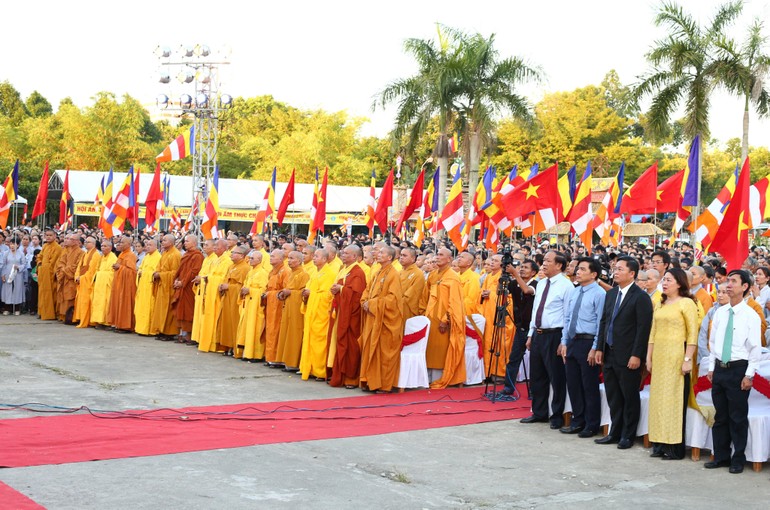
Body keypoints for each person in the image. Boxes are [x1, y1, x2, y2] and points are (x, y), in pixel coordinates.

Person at [705, 269, 762, 474]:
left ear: (745, 287)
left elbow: (755, 348)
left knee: (737, 417)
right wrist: (712, 367)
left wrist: (749, 375)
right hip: (720, 368)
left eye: (733, 281)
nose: (728, 285)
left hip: (738, 370)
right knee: (720, 416)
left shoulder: (750, 315)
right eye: (728, 281)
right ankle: (721, 456)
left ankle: (738, 459)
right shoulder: (720, 312)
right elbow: (713, 342)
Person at [595, 256, 653, 449]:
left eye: (620, 269)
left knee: (629, 397)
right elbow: (604, 322)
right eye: (615, 268)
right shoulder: (612, 294)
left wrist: (637, 355)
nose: (616, 272)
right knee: (613, 396)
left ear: (632, 273)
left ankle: (628, 435)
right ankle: (615, 432)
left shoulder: (641, 297)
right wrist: (600, 348)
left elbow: (643, 329)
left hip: (629, 356)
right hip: (609, 353)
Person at [646, 267, 699, 460]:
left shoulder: (687, 303)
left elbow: (692, 334)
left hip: (677, 358)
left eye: (669, 280)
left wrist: (687, 360)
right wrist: (649, 357)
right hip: (659, 358)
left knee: (673, 401)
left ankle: (674, 447)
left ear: (679, 283)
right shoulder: (661, 303)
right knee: (658, 401)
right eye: (664, 280)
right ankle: (659, 442)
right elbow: (653, 332)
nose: (665, 283)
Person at [521, 251, 573, 429]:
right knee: (537, 376)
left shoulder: (566, 286)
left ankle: (557, 415)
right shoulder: (542, 283)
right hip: (538, 334)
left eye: (548, 261)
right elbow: (536, 310)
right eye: (543, 260)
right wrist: (530, 334)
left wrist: (564, 341)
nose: (543, 263)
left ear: (559, 265)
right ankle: (539, 412)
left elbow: (567, 315)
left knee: (556, 377)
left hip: (555, 335)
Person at [558, 257, 606, 438]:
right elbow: (568, 318)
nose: (578, 271)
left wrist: (595, 347)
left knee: (589, 385)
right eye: (578, 268)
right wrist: (564, 342)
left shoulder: (599, 294)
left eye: (583, 269)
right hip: (572, 341)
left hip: (588, 342)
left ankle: (591, 424)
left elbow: (601, 323)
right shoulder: (575, 291)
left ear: (594, 274)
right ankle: (577, 421)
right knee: (573, 384)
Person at [360, 244, 403, 393]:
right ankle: (370, 381)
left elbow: (393, 300)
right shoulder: (378, 272)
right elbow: (368, 290)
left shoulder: (393, 274)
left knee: (384, 353)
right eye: (378, 252)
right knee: (370, 350)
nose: (377, 254)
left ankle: (384, 385)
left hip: (385, 320)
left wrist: (372, 304)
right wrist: (365, 301)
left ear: (389, 257)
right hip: (373, 317)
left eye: (382, 253)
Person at [421, 247, 466, 389]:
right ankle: (427, 377)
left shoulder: (453, 277)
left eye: (441, 255)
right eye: (437, 254)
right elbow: (425, 296)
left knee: (441, 348)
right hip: (430, 317)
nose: (437, 257)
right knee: (430, 347)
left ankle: (440, 376)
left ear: (449, 259)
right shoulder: (433, 274)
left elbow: (454, 301)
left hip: (443, 318)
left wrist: (445, 319)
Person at [327, 245, 366, 388]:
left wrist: (341, 289)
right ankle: (338, 374)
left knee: (350, 345)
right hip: (341, 311)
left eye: (346, 253)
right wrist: (336, 289)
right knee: (339, 342)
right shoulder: (344, 269)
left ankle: (351, 378)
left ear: (355, 256)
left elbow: (357, 295)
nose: (343, 255)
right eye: (342, 253)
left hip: (351, 315)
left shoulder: (358, 272)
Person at [500, 259, 539, 395]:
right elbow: (502, 292)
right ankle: (508, 387)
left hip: (534, 328)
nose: (522, 269)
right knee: (514, 358)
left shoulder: (536, 284)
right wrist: (503, 276)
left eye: (526, 267)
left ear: (533, 272)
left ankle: (535, 391)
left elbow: (526, 290)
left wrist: (515, 273)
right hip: (521, 327)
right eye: (521, 267)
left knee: (535, 361)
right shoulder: (514, 283)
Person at [299, 248, 336, 381]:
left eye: (317, 256)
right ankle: (309, 368)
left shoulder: (329, 274)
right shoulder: (315, 272)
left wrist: (312, 294)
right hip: (312, 312)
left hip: (321, 314)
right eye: (314, 256)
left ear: (325, 259)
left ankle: (320, 371)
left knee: (319, 342)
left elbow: (329, 295)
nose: (314, 258)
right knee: (310, 340)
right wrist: (306, 294)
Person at [479, 254, 515, 378]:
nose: (492, 262)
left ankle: (498, 372)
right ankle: (486, 372)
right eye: (492, 260)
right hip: (487, 314)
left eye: (495, 261)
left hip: (498, 316)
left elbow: (508, 298)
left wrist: (491, 294)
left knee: (499, 342)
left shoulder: (505, 277)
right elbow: (482, 292)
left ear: (502, 264)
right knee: (487, 342)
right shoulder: (488, 276)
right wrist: (482, 294)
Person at [274, 251, 310, 370]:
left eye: (291, 258)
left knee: (295, 333)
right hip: (288, 306)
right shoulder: (291, 273)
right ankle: (286, 360)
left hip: (297, 310)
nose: (288, 260)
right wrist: (283, 294)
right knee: (286, 332)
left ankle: (294, 363)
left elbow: (304, 293)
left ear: (299, 261)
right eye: (288, 258)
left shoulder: (304, 274)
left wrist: (290, 292)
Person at [198, 240, 232, 352]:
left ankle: (214, 344)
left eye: (217, 246)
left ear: (224, 248)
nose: (215, 247)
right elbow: (211, 274)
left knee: (215, 318)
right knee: (208, 317)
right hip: (210, 293)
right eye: (215, 245)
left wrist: (208, 278)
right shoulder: (216, 260)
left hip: (216, 295)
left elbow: (223, 278)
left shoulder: (227, 261)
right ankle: (207, 342)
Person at [217, 246, 250, 357]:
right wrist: (222, 286)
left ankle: (235, 348)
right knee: (226, 322)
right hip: (227, 298)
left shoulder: (245, 268)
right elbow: (226, 280)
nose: (231, 254)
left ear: (242, 255)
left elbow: (242, 286)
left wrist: (229, 287)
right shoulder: (231, 266)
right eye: (232, 252)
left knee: (234, 323)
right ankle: (227, 346)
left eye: (234, 253)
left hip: (236, 300)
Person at [237, 250, 269, 362]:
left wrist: (250, 290)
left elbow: (263, 291)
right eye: (250, 258)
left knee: (255, 328)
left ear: (259, 260)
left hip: (256, 306)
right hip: (248, 304)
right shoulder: (251, 272)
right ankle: (247, 352)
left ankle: (256, 355)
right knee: (246, 328)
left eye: (252, 258)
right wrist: (243, 290)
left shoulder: (263, 273)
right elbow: (245, 285)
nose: (250, 260)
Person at [172, 235, 204, 344]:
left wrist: (182, 282)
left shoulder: (197, 256)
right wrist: (177, 279)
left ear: (194, 243)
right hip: (182, 285)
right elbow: (180, 269)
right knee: (181, 310)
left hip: (189, 286)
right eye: (184, 241)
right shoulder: (186, 254)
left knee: (189, 311)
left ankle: (189, 335)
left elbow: (194, 272)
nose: (184, 243)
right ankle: (182, 334)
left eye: (187, 241)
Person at [150, 234, 181, 340]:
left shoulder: (175, 254)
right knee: (160, 310)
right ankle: (160, 330)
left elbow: (175, 273)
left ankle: (169, 333)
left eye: (164, 240)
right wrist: (156, 273)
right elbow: (159, 267)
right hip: (162, 285)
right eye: (162, 240)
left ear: (171, 243)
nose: (162, 242)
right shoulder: (164, 253)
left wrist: (161, 275)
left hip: (169, 287)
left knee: (168, 310)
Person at [264, 249, 290, 366]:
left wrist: (270, 294)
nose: (271, 258)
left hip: (278, 305)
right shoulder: (273, 271)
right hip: (271, 304)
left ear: (281, 258)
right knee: (270, 329)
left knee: (276, 330)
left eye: (273, 256)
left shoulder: (285, 271)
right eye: (270, 256)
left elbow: (285, 290)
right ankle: (270, 357)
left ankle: (276, 358)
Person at [107, 236, 138, 333]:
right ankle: (118, 324)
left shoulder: (131, 255)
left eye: (122, 242)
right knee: (117, 303)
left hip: (127, 286)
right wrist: (117, 267)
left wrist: (120, 267)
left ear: (129, 244)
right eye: (119, 242)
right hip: (119, 284)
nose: (120, 244)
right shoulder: (122, 254)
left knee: (125, 304)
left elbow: (132, 272)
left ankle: (126, 326)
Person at [190, 240, 217, 347]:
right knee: (198, 314)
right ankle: (198, 337)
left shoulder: (215, 259)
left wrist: (201, 279)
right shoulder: (206, 259)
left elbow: (211, 276)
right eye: (203, 245)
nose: (204, 247)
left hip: (207, 291)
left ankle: (202, 338)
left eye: (206, 245)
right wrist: (198, 279)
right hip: (201, 289)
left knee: (204, 315)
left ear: (214, 247)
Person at [134, 239, 161, 336]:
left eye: (150, 245)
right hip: (142, 286)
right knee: (140, 308)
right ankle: (141, 328)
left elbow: (156, 273)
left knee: (149, 308)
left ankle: (149, 330)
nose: (148, 246)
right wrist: (140, 272)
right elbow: (140, 268)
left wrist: (144, 273)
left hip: (150, 287)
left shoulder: (158, 257)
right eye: (147, 245)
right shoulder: (146, 257)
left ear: (156, 246)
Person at [54, 234, 83, 324]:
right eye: (68, 239)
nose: (68, 240)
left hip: (71, 279)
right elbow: (60, 263)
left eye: (71, 239)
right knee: (63, 297)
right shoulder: (66, 251)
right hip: (64, 277)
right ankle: (62, 316)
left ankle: (70, 317)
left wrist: (65, 270)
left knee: (70, 297)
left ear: (77, 241)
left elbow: (77, 266)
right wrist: (62, 269)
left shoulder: (81, 252)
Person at [73, 237, 101, 328]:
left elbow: (92, 270)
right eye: (85, 242)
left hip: (88, 282)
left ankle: (87, 321)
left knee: (86, 302)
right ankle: (81, 319)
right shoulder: (85, 254)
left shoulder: (96, 255)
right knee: (81, 301)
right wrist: (77, 276)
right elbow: (79, 267)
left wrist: (82, 278)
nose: (85, 243)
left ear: (93, 244)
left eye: (88, 242)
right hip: (82, 281)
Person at [90, 240, 117, 328]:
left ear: (110, 248)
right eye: (102, 246)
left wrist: (100, 274)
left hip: (106, 286)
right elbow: (97, 269)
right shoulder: (101, 257)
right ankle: (98, 321)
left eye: (105, 246)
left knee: (106, 303)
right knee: (98, 302)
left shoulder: (113, 258)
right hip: (99, 285)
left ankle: (106, 322)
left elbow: (113, 273)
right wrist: (97, 275)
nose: (103, 248)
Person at [37, 229, 62, 320]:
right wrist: (39, 263)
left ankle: (51, 314)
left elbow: (53, 262)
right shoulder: (44, 246)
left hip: (50, 274)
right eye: (47, 235)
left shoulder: (58, 247)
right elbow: (39, 256)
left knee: (51, 294)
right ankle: (42, 312)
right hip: (43, 273)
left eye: (50, 235)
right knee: (42, 293)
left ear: (55, 236)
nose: (48, 237)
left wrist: (44, 268)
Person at [0, 236, 26, 315]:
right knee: (7, 290)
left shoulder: (21, 254)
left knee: (17, 290)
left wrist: (19, 267)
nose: (12, 246)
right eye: (11, 244)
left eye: (14, 244)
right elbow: (3, 264)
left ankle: (17, 308)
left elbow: (24, 264)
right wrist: (3, 275)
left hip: (17, 274)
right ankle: (7, 308)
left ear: (17, 245)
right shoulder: (6, 253)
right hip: (8, 273)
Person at [398, 247, 424, 320]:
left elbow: (411, 296)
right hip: (396, 308)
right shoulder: (399, 272)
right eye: (401, 255)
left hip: (407, 310)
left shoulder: (418, 273)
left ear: (413, 258)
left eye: (404, 255)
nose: (401, 257)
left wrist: (396, 303)